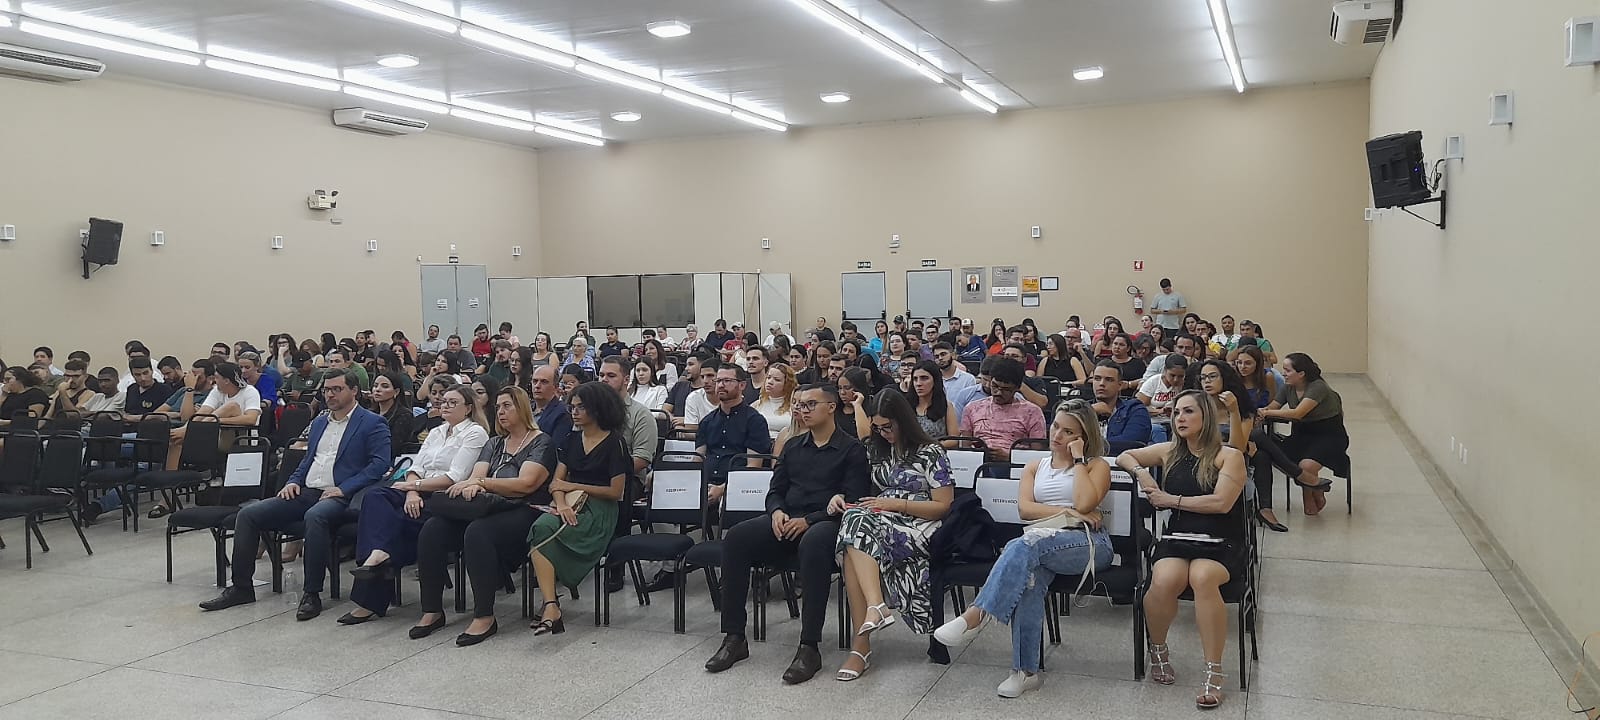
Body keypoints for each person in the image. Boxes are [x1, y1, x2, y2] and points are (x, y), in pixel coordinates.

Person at [935, 400, 1113, 697]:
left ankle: (977, 614)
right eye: (1056, 426)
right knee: (1029, 578)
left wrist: (1079, 462)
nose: (1057, 435)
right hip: (1040, 541)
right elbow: (1025, 510)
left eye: (1068, 431)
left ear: (1083, 437)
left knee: (1023, 545)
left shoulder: (1096, 466)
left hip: (1089, 544)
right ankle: (1025, 671)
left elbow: (1084, 504)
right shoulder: (1035, 465)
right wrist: (1068, 512)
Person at [704, 384, 870, 684]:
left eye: (810, 404)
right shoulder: (793, 446)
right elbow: (775, 491)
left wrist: (810, 519)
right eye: (799, 405)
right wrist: (777, 511)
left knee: (815, 541)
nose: (802, 410)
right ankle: (734, 637)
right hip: (787, 520)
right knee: (738, 537)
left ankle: (809, 646)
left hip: (827, 523)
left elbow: (854, 500)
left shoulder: (852, 449)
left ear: (831, 407)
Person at [199, 369, 391, 618]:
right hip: (307, 490)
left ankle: (311, 593)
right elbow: (308, 460)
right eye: (326, 390)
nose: (330, 395)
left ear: (354, 391)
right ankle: (241, 588)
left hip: (341, 495)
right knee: (249, 514)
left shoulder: (372, 422)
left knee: (316, 516)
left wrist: (343, 488)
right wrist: (293, 481)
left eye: (336, 389)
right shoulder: (321, 421)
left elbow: (379, 465)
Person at [1116, 390, 1248, 710]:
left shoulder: (1228, 456)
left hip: (1221, 540)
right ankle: (1158, 650)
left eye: (1188, 412)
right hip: (1179, 538)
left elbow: (1221, 503)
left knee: (1202, 577)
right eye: (1176, 413)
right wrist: (1144, 474)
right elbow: (1124, 456)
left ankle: (1214, 671)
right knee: (1164, 579)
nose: (1179, 419)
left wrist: (1170, 500)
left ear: (1205, 417)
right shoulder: (1170, 451)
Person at [411, 386, 555, 644]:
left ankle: (484, 616)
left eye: (507, 406)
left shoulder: (541, 441)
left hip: (525, 508)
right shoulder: (494, 442)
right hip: (488, 506)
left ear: (522, 408)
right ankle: (432, 610)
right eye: (498, 406)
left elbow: (526, 484)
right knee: (433, 529)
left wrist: (484, 484)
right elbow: (477, 476)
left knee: (478, 532)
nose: (500, 411)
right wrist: (479, 483)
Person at [828, 389, 953, 681]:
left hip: (921, 522)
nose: (883, 433)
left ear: (904, 421)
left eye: (889, 426)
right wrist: (840, 497)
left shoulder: (931, 452)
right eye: (878, 427)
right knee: (852, 527)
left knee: (852, 536)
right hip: (883, 517)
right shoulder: (876, 449)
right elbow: (859, 490)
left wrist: (896, 504)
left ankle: (862, 644)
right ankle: (875, 609)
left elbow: (944, 506)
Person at [344, 384, 488, 621]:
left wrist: (414, 488)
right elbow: (416, 467)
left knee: (395, 522)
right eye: (443, 401)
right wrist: (412, 492)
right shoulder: (436, 432)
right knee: (375, 497)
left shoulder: (475, 433)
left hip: (445, 495)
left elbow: (455, 476)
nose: (445, 405)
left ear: (469, 408)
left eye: (453, 402)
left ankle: (370, 593)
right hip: (417, 491)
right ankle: (379, 556)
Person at [524, 382, 631, 636]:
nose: (574, 412)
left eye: (581, 407)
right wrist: (561, 504)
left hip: (601, 510)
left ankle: (551, 606)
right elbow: (556, 483)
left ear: (598, 409)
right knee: (541, 528)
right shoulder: (572, 439)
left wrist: (572, 486)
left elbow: (616, 492)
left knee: (544, 531)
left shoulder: (614, 443)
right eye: (572, 407)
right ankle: (551, 605)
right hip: (570, 504)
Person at [1258, 353, 1349, 516]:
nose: (1283, 373)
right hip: (1301, 435)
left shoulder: (1317, 387)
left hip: (1329, 435)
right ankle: (1317, 488)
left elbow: (1298, 413)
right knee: (1272, 454)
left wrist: (1266, 412)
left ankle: (1310, 497)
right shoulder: (1288, 387)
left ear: (1301, 374)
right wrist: (1262, 411)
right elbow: (1273, 407)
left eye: (1287, 370)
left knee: (1306, 466)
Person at [959, 357, 1046, 461]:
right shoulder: (972, 408)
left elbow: (1038, 454)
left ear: (1017, 388)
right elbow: (965, 448)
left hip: (1016, 467)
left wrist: (1010, 457)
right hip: (978, 463)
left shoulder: (1032, 412)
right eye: (995, 386)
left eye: (1006, 389)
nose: (998, 392)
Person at [1090, 360, 1153, 453]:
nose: (1101, 383)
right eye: (1097, 378)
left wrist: (1088, 447)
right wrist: (1090, 411)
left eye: (1109, 380)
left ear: (1120, 385)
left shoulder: (1135, 409)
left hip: (1120, 464)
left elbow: (1133, 443)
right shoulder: (1081, 408)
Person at [1137, 355, 1189, 439]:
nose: (1176, 380)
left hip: (1173, 422)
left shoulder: (1183, 385)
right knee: (1158, 430)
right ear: (1165, 370)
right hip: (1153, 423)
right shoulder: (1153, 382)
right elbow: (1139, 408)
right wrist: (1160, 411)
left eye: (1180, 376)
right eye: (1172, 375)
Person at [908, 360, 959, 443]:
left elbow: (953, 440)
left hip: (937, 452)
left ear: (935, 380)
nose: (918, 383)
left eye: (924, 378)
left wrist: (929, 448)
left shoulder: (946, 406)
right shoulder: (906, 405)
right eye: (915, 379)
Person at [371, 372, 414, 457]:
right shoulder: (370, 413)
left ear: (396, 392)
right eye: (375, 386)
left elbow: (394, 446)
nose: (378, 389)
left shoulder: (404, 415)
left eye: (385, 386)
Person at [752, 364, 796, 440]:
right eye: (768, 377)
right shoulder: (757, 404)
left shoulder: (794, 406)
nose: (770, 382)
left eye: (777, 380)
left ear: (787, 384)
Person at [679, 359, 719, 432]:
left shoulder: (733, 397)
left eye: (710, 375)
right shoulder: (693, 397)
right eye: (702, 377)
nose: (705, 381)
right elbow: (689, 432)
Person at [1232, 345, 1276, 410]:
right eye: (1239, 362)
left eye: (1248, 363)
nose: (1242, 367)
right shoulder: (1234, 378)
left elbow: (1272, 403)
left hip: (1263, 416)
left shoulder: (1267, 377)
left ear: (1258, 364)